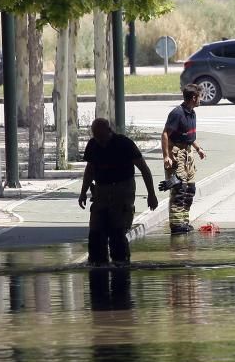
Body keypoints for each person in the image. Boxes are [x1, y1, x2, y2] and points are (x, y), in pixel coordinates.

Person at [78, 118, 158, 266]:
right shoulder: (93, 145)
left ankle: (121, 263)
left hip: (123, 190)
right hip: (101, 191)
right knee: (96, 231)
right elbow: (89, 170)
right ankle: (97, 262)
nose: (100, 141)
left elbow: (144, 169)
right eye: (96, 137)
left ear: (109, 131)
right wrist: (83, 192)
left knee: (117, 230)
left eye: (102, 137)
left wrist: (151, 195)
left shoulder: (124, 143)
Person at [161, 83, 206, 234]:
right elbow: (165, 134)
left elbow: (188, 135)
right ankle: (176, 224)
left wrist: (198, 148)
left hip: (188, 153)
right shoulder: (177, 113)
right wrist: (167, 156)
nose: (201, 99)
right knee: (179, 189)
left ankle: (184, 221)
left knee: (190, 190)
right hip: (176, 154)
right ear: (194, 98)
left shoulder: (191, 112)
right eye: (200, 96)